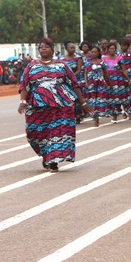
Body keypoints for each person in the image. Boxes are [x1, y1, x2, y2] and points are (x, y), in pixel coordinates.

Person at [18, 37, 92, 172]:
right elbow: (24, 86)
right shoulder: (31, 66)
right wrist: (22, 102)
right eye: (41, 47)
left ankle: (53, 161)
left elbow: (74, 84)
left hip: (61, 106)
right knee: (35, 132)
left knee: (57, 132)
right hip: (37, 106)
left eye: (46, 47)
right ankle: (46, 156)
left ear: (52, 49)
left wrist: (83, 102)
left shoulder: (62, 65)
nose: (43, 49)